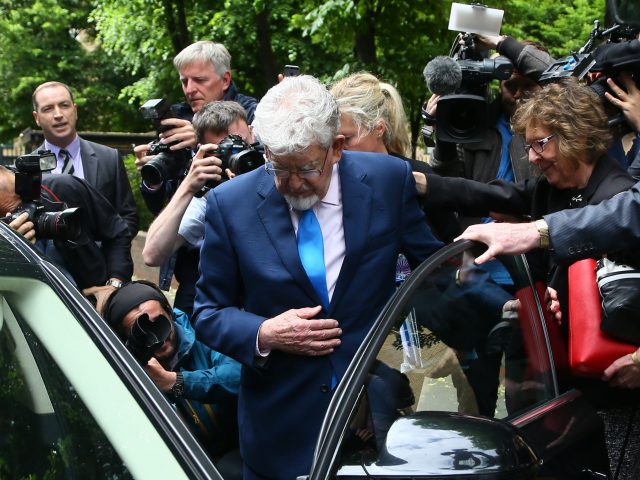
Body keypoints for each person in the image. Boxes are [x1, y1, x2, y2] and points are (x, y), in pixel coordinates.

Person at [191, 75, 443, 479]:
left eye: (307, 168)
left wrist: (491, 303)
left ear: (337, 148)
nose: (292, 183)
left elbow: (433, 272)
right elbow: (207, 312)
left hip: (374, 421)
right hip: (281, 429)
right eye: (279, 168)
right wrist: (265, 332)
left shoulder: (387, 180)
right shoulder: (229, 204)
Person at [102, 280, 242, 476]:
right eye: (142, 331)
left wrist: (174, 382)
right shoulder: (132, 375)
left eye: (159, 322)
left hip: (244, 445)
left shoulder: (205, 332)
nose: (159, 337)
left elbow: (238, 377)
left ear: (170, 312)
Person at [142, 101, 253, 314]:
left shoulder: (277, 174)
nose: (237, 156)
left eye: (241, 144)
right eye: (225, 151)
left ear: (252, 134)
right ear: (205, 153)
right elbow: (151, 255)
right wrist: (189, 185)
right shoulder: (210, 195)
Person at [330, 71, 460, 245]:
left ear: (379, 128)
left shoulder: (418, 174)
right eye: (331, 141)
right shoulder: (329, 178)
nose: (338, 148)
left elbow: (452, 242)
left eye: (346, 139)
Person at [135, 40, 258, 216]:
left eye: (199, 80)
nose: (190, 90)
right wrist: (153, 178)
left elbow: (262, 173)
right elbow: (159, 209)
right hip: (184, 235)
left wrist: (201, 140)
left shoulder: (251, 114)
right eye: (184, 82)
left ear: (225, 80)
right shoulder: (175, 119)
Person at [426, 36, 552, 190]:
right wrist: (445, 135)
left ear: (545, 86)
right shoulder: (475, 123)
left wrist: (501, 43)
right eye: (511, 85)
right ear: (499, 86)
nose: (518, 94)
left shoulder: (559, 126)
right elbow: (446, 182)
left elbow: (567, 80)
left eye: (528, 85)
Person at [0, 165, 133, 310]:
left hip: (98, 300)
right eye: (14, 215)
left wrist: (114, 285)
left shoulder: (64, 188)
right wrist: (7, 248)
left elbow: (117, 233)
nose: (27, 215)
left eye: (26, 204)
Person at [31, 81, 138, 238]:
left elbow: (129, 217)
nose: (58, 114)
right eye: (48, 109)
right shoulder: (26, 170)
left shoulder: (109, 158)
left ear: (75, 110)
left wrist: (112, 254)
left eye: (64, 105)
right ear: (37, 118)